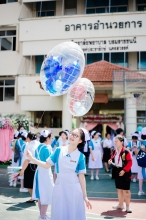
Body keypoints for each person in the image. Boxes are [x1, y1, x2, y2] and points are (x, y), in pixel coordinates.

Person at [26, 128, 92, 220]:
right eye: (72, 133)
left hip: (74, 189)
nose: (72, 136)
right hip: (59, 187)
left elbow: (81, 177)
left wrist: (85, 196)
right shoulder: (59, 150)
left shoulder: (81, 157)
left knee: (72, 213)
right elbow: (46, 165)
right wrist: (32, 158)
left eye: (76, 135)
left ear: (80, 140)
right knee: (58, 213)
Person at [33, 130, 54, 220]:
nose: (52, 139)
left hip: (38, 171)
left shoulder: (38, 147)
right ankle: (43, 216)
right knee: (45, 193)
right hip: (45, 172)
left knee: (40, 194)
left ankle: (42, 215)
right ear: (47, 138)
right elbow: (50, 162)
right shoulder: (47, 148)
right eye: (51, 138)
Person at [108, 135, 132, 213]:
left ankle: (128, 206)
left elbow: (130, 162)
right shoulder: (115, 151)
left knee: (126, 190)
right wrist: (110, 160)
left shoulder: (126, 151)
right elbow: (112, 158)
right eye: (114, 141)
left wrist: (124, 170)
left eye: (116, 141)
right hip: (117, 170)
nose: (115, 142)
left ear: (122, 142)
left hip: (125, 171)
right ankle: (121, 204)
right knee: (119, 189)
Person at [20, 132, 40, 203]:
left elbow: (27, 159)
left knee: (29, 184)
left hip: (30, 166)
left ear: (28, 138)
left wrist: (22, 170)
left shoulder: (29, 146)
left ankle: (33, 197)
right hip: (38, 165)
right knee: (35, 183)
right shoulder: (38, 143)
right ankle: (36, 197)